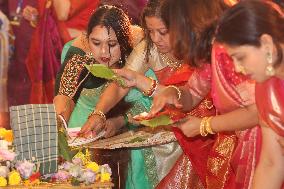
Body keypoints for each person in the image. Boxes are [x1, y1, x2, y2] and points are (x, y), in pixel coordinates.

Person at [115, 0, 262, 188]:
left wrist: (203, 125)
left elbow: (256, 113)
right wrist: (170, 91)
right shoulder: (211, 51)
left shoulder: (228, 50)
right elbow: (192, 94)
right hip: (239, 145)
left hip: (259, 143)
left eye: (169, 28)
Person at [81, 0, 216, 188]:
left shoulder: (200, 47)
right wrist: (99, 113)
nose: (156, 38)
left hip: (210, 133)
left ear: (182, 25)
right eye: (150, 31)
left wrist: (142, 82)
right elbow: (121, 83)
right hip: (172, 135)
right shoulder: (149, 48)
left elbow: (194, 96)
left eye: (162, 31)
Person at [53, 5, 136, 188]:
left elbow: (150, 104)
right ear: (87, 38)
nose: (104, 53)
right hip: (84, 135)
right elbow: (65, 94)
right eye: (96, 43)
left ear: (123, 40)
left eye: (112, 44)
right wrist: (57, 128)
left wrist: (119, 121)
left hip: (132, 138)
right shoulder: (78, 54)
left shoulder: (137, 52)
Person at [215, 1, 284, 188]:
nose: (238, 68)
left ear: (267, 44)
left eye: (241, 57)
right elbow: (271, 162)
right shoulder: (265, 87)